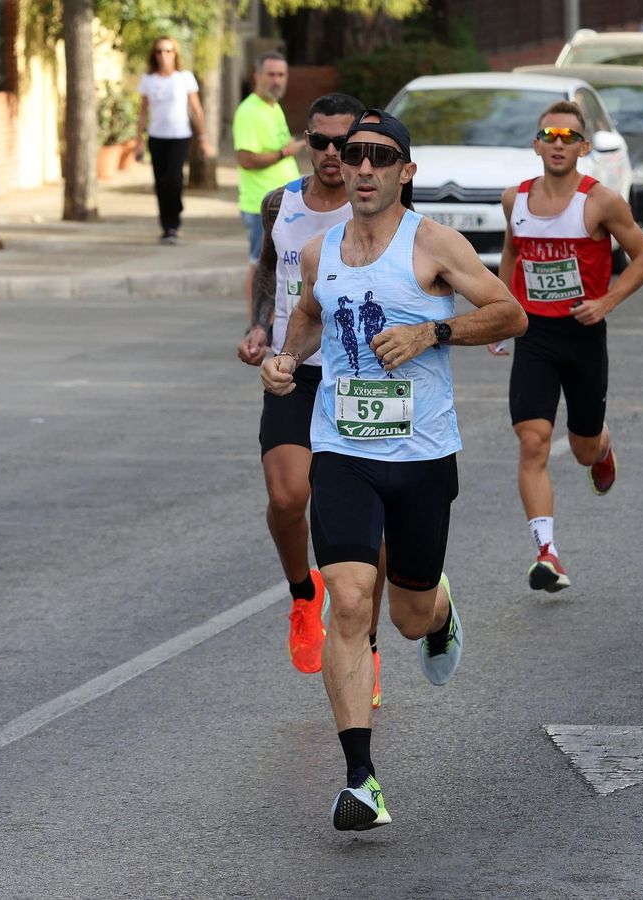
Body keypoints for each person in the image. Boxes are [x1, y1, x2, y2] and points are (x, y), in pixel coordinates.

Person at [260, 110, 527, 830]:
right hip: (343, 450)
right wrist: (287, 358)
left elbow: (510, 315)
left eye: (382, 156)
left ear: (405, 171)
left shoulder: (435, 244)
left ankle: (437, 607)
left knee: (406, 617)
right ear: (341, 167)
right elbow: (309, 318)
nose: (366, 168)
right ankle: (359, 780)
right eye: (355, 156)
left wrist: (432, 331)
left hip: (422, 456)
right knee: (347, 600)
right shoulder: (320, 251)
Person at [236, 92, 386, 707]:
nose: (331, 154)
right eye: (320, 141)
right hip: (293, 367)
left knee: (368, 525)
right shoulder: (282, 202)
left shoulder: (382, 204)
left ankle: (366, 645)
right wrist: (256, 325)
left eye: (343, 143)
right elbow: (269, 266)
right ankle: (304, 593)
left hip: (361, 377)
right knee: (286, 495)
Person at [492, 101, 643, 592]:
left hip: (583, 334)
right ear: (536, 144)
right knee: (532, 441)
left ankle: (601, 447)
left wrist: (606, 302)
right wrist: (500, 316)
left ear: (584, 147)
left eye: (568, 136)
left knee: (582, 449)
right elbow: (510, 256)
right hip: (535, 335)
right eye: (549, 134)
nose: (558, 142)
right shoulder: (513, 200)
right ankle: (547, 553)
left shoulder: (601, 202)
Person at [233, 52, 305, 319]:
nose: (276, 80)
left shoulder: (273, 106)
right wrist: (285, 153)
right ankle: (256, 325)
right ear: (257, 76)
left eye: (281, 75)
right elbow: (246, 159)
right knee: (259, 264)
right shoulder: (249, 111)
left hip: (283, 205)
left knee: (278, 268)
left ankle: (272, 324)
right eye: (271, 74)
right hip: (259, 205)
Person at [135, 36, 211, 245]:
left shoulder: (184, 78)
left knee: (174, 180)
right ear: (154, 55)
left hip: (179, 136)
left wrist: (203, 137)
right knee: (160, 183)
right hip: (157, 137)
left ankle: (175, 217)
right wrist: (138, 140)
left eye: (168, 51)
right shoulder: (149, 80)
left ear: (175, 54)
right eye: (159, 51)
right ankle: (167, 226)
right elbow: (142, 113)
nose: (164, 55)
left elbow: (196, 110)